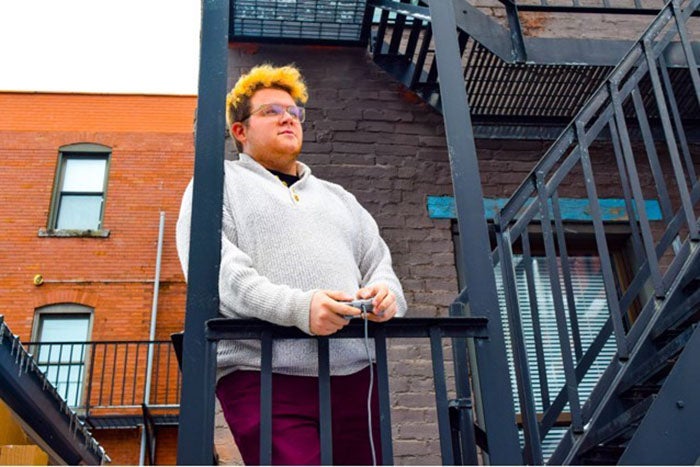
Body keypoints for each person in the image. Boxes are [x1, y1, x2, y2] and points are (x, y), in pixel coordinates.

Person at [176, 64, 407, 465]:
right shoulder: (217, 184)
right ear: (240, 132)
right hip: (259, 372)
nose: (288, 117)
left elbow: (379, 264)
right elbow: (217, 273)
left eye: (294, 111)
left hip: (354, 375)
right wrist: (299, 308)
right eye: (270, 111)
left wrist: (388, 296)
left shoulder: (340, 198)